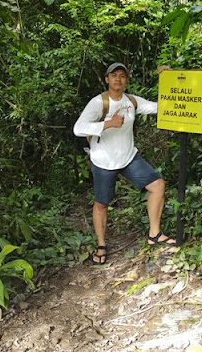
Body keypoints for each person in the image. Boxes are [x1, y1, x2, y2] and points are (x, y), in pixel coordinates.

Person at [73, 62, 176, 265]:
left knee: (158, 185)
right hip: (103, 161)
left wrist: (167, 81)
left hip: (128, 158)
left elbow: (160, 107)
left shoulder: (131, 102)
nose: (118, 79)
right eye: (114, 75)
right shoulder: (98, 103)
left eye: (122, 75)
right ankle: (101, 244)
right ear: (107, 79)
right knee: (102, 203)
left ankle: (154, 234)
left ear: (126, 80)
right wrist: (107, 124)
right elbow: (78, 128)